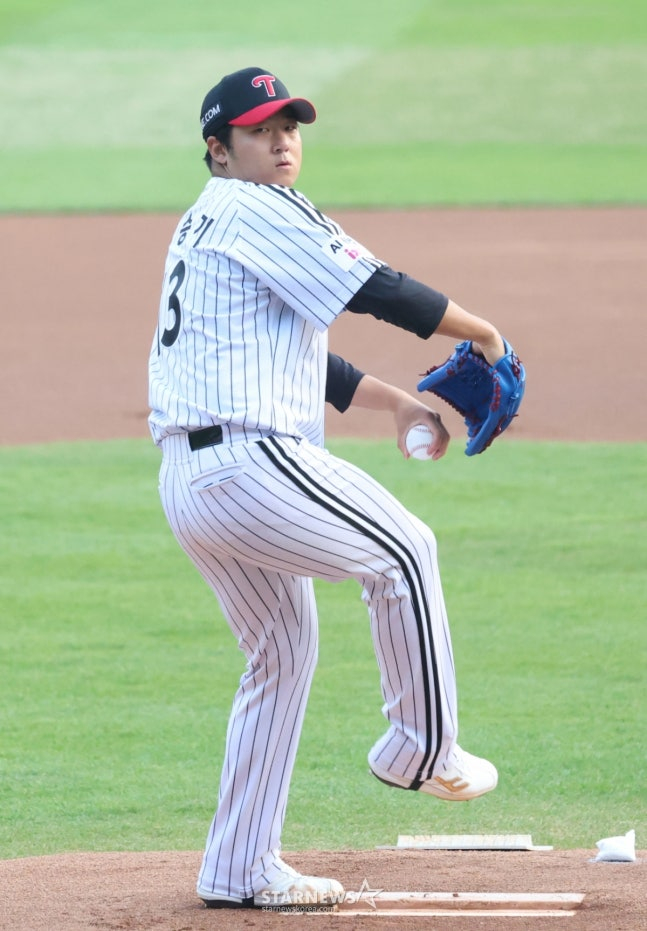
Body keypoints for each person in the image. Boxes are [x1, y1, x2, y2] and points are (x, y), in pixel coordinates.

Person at [148, 66, 506, 910]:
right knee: (403, 549)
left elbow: (296, 350)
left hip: (195, 481)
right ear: (218, 148)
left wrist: (389, 400)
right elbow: (376, 287)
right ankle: (422, 748)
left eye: (290, 127)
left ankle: (238, 865)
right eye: (260, 129)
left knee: (279, 654)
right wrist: (485, 332)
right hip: (249, 467)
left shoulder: (206, 224)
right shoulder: (256, 207)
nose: (281, 141)